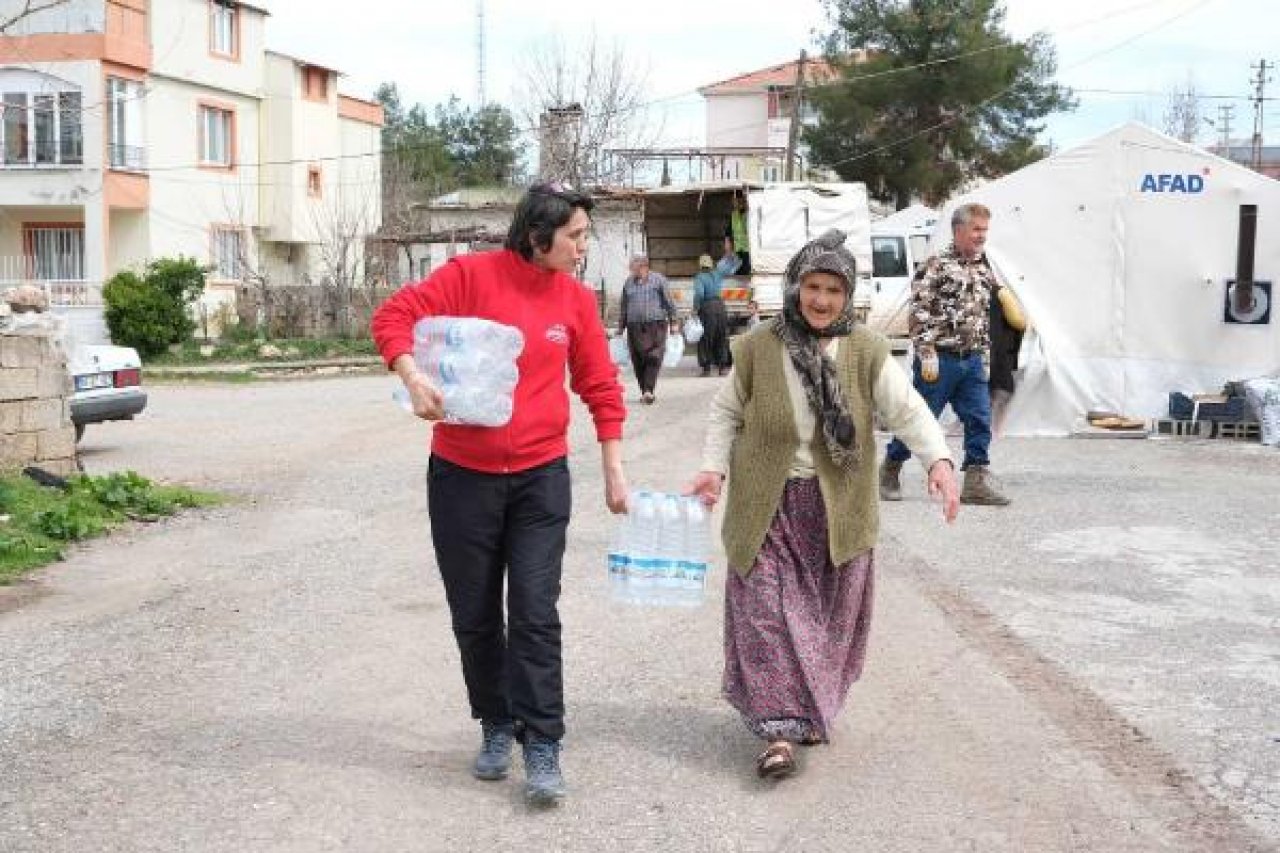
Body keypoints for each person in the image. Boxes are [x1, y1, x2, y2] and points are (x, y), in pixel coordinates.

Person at [370, 182, 629, 806]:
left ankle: (543, 740)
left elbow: (599, 383)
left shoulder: (573, 300)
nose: (582, 248)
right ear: (537, 238)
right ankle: (495, 724)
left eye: (584, 236)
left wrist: (614, 467)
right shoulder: (469, 276)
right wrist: (414, 377)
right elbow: (391, 317)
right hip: (462, 479)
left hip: (542, 478)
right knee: (476, 615)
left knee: (536, 612)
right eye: (574, 237)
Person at [687, 229, 959, 780]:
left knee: (825, 624)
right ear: (795, 288)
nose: (821, 300)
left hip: (837, 508)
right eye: (812, 286)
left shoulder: (865, 350)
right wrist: (713, 469)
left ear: (848, 295)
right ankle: (779, 732)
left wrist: (939, 462)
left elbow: (906, 411)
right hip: (768, 504)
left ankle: (809, 707)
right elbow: (726, 413)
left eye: (833, 290)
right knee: (766, 616)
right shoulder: (759, 347)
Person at [880, 202, 1011, 506]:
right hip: (940, 360)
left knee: (979, 418)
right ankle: (890, 468)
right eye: (976, 229)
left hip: (972, 359)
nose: (982, 236)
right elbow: (918, 312)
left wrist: (986, 358)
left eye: (985, 230)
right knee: (920, 419)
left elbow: (981, 317)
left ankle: (975, 482)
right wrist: (926, 353)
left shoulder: (982, 267)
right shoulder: (936, 265)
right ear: (958, 230)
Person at [617, 253, 678, 404]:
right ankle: (645, 390)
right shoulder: (628, 283)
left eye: (633, 265)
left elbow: (669, 302)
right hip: (634, 327)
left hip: (656, 325)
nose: (630, 269)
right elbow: (624, 307)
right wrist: (620, 327)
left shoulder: (658, 280)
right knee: (638, 360)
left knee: (654, 356)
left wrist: (674, 322)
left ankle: (648, 390)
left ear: (642, 265)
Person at [692, 251, 742, 376]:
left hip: (707, 307)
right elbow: (734, 265)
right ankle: (723, 367)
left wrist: (695, 308)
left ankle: (706, 368)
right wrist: (732, 255)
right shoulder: (718, 273)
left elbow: (699, 294)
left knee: (706, 337)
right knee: (721, 336)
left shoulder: (699, 277)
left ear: (700, 265)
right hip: (720, 307)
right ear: (710, 264)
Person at [988, 280, 1027, 437]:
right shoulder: (1000, 292)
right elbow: (1019, 322)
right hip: (999, 351)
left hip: (983, 350)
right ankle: (997, 428)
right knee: (1002, 390)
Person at [723, 192, 752, 275]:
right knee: (737, 273)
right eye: (735, 202)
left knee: (747, 273)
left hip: (749, 250)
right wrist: (728, 249)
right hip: (737, 250)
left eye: (739, 201)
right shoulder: (733, 215)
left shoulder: (750, 214)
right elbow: (728, 233)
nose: (737, 204)